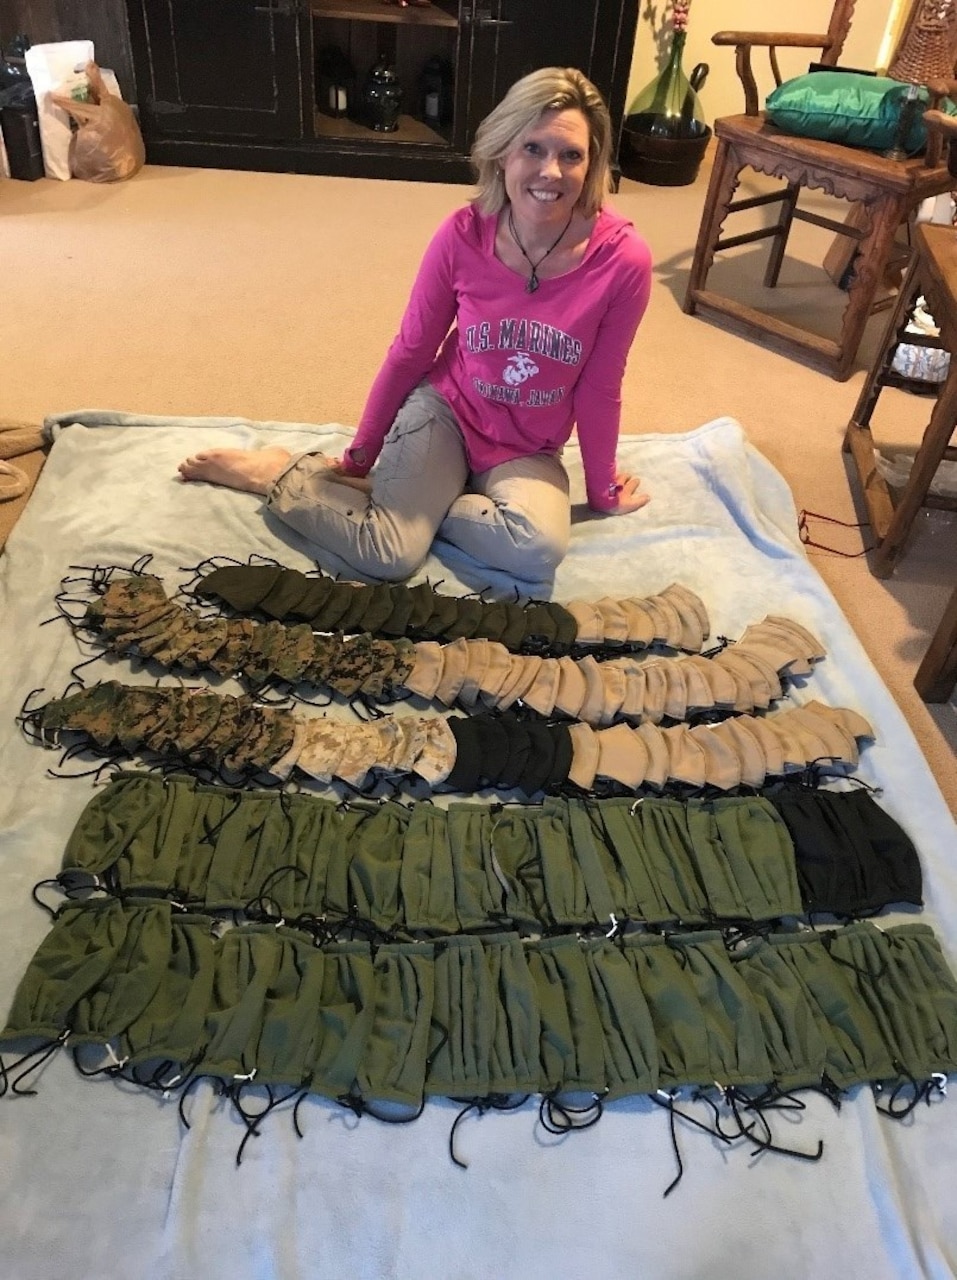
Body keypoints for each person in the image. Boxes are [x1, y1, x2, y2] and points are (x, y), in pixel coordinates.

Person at [178, 66, 653, 584]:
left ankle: (416, 504)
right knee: (389, 554)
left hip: (529, 446)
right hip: (448, 413)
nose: (551, 172)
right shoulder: (461, 235)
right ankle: (278, 474)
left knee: (536, 550)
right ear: (502, 151)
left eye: (571, 155)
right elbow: (411, 350)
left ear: (594, 162)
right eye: (533, 149)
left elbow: (601, 386)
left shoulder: (623, 260)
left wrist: (603, 490)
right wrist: (362, 455)